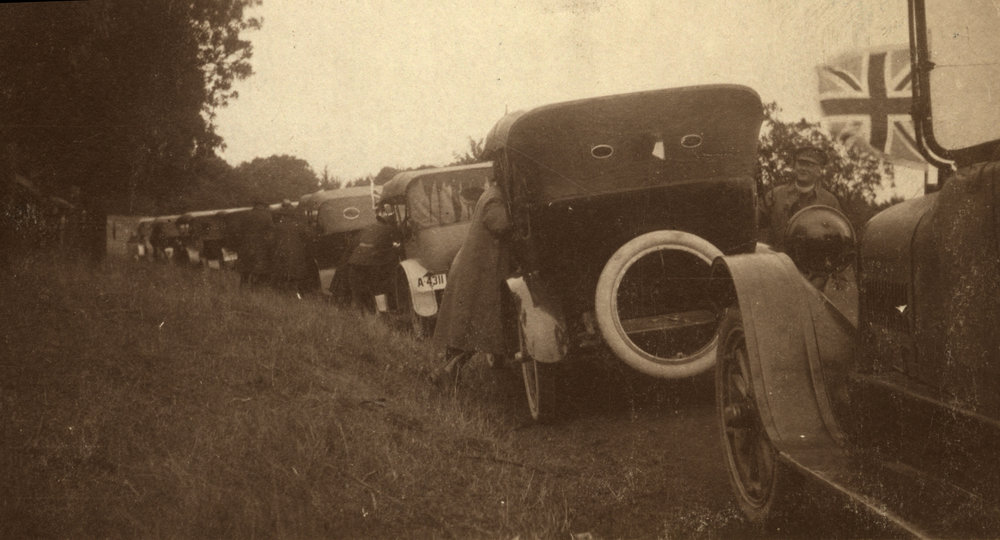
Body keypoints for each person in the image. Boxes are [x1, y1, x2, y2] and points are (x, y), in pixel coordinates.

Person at [430, 176, 512, 389]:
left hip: (474, 267)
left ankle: (447, 372)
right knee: (477, 323)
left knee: (468, 325)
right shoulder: (495, 199)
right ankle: (447, 373)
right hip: (478, 271)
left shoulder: (492, 194)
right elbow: (502, 225)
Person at [759, 146, 843, 251]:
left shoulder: (829, 201)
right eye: (801, 163)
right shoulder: (775, 194)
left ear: (819, 171)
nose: (803, 168)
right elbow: (755, 222)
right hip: (777, 261)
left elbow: (838, 236)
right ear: (794, 166)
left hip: (809, 263)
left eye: (809, 165)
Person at [345, 204, 401, 311]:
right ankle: (385, 313)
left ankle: (369, 318)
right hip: (370, 264)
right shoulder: (389, 229)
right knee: (379, 289)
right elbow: (397, 246)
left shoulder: (369, 227)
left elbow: (354, 245)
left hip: (354, 263)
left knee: (361, 296)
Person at [237, 201, 274, 288]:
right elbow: (271, 229)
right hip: (260, 243)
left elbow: (240, 228)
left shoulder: (247, 214)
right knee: (259, 264)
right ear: (263, 205)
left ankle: (244, 283)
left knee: (246, 264)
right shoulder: (266, 215)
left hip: (247, 243)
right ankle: (256, 285)